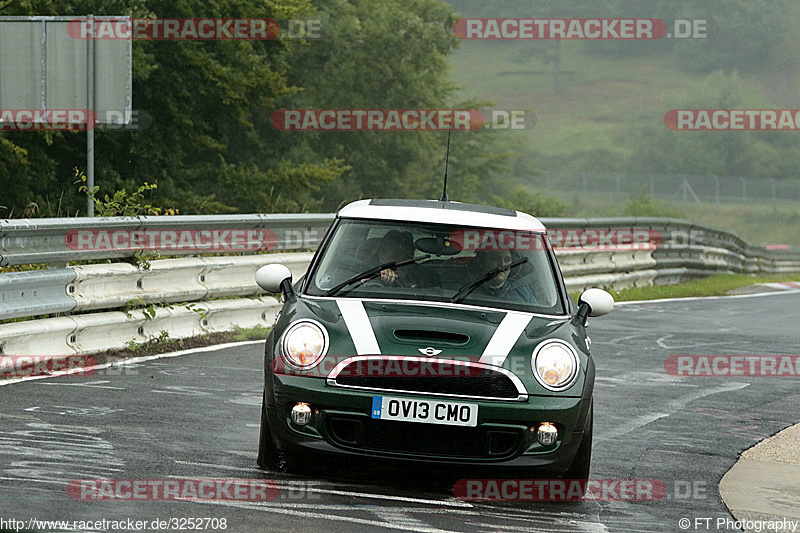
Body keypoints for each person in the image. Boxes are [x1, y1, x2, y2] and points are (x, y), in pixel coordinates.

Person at [469, 249, 535, 302]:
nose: (502, 265)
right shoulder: (464, 290)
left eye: (507, 260)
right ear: (481, 262)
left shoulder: (522, 291)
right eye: (495, 259)